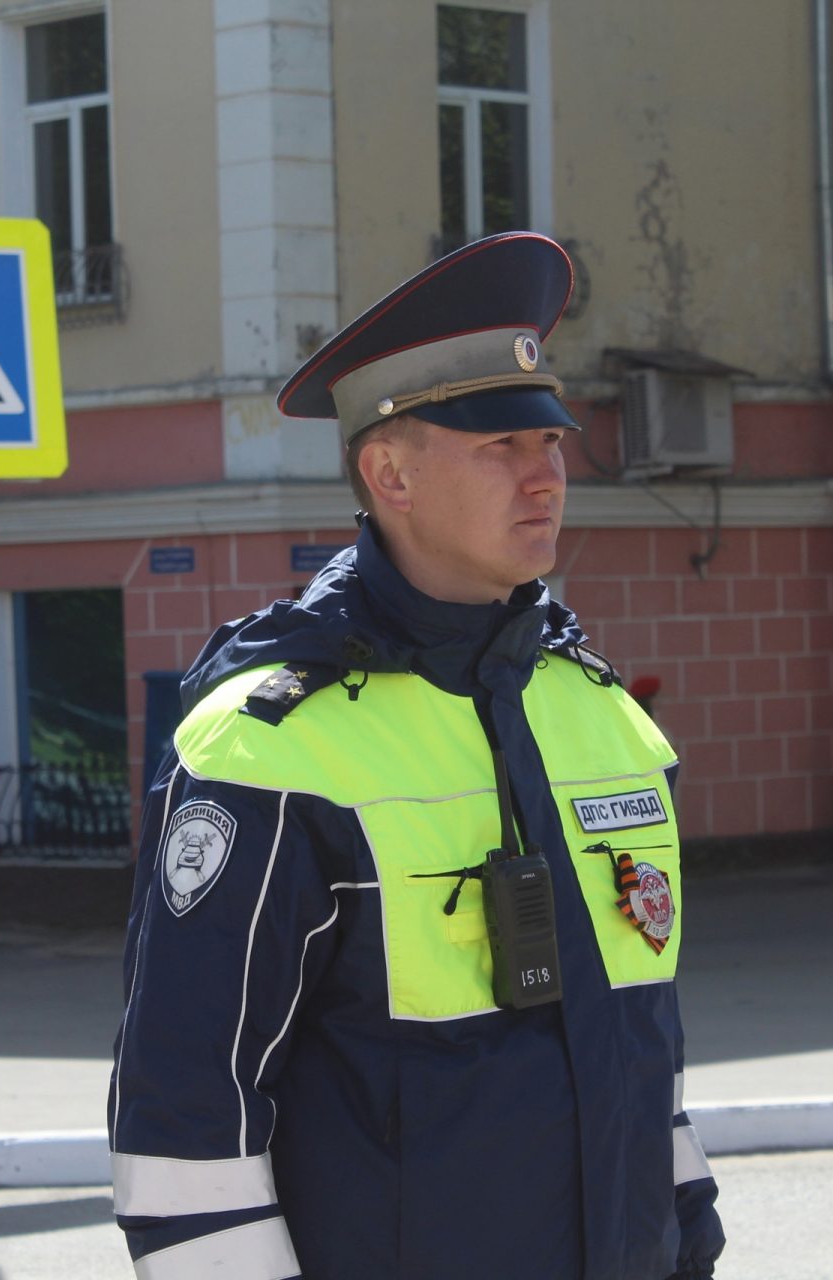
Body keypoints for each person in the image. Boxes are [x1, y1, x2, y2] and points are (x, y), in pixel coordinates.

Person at [108, 234, 723, 1280]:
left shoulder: (605, 714)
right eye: (500, 447)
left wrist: (689, 1241)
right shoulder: (270, 747)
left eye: (553, 442)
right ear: (389, 470)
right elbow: (187, 1112)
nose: (545, 477)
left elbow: (643, 1054)